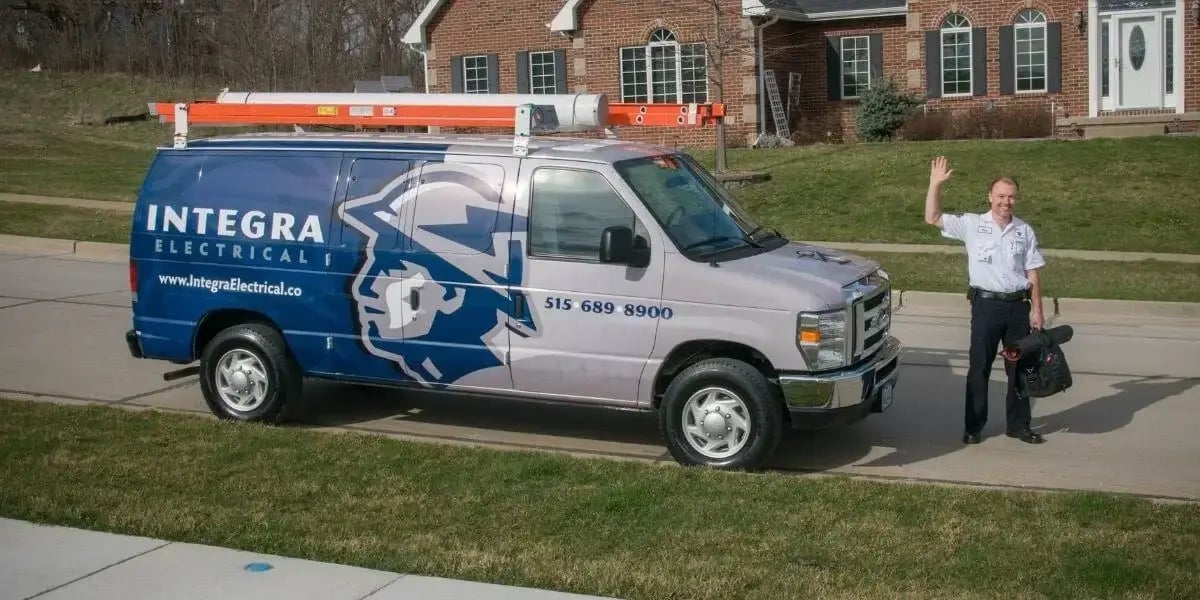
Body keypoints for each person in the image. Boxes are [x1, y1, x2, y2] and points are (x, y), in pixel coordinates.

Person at [924, 156, 1047, 445]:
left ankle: (1018, 426)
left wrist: (1037, 310)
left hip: (1018, 309)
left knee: (1019, 368)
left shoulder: (1024, 231)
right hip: (986, 308)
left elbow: (1033, 273)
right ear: (990, 197)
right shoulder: (972, 224)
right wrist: (935, 184)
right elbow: (932, 217)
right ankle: (974, 427)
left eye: (1011, 197)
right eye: (1001, 196)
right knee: (979, 367)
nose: (1006, 202)